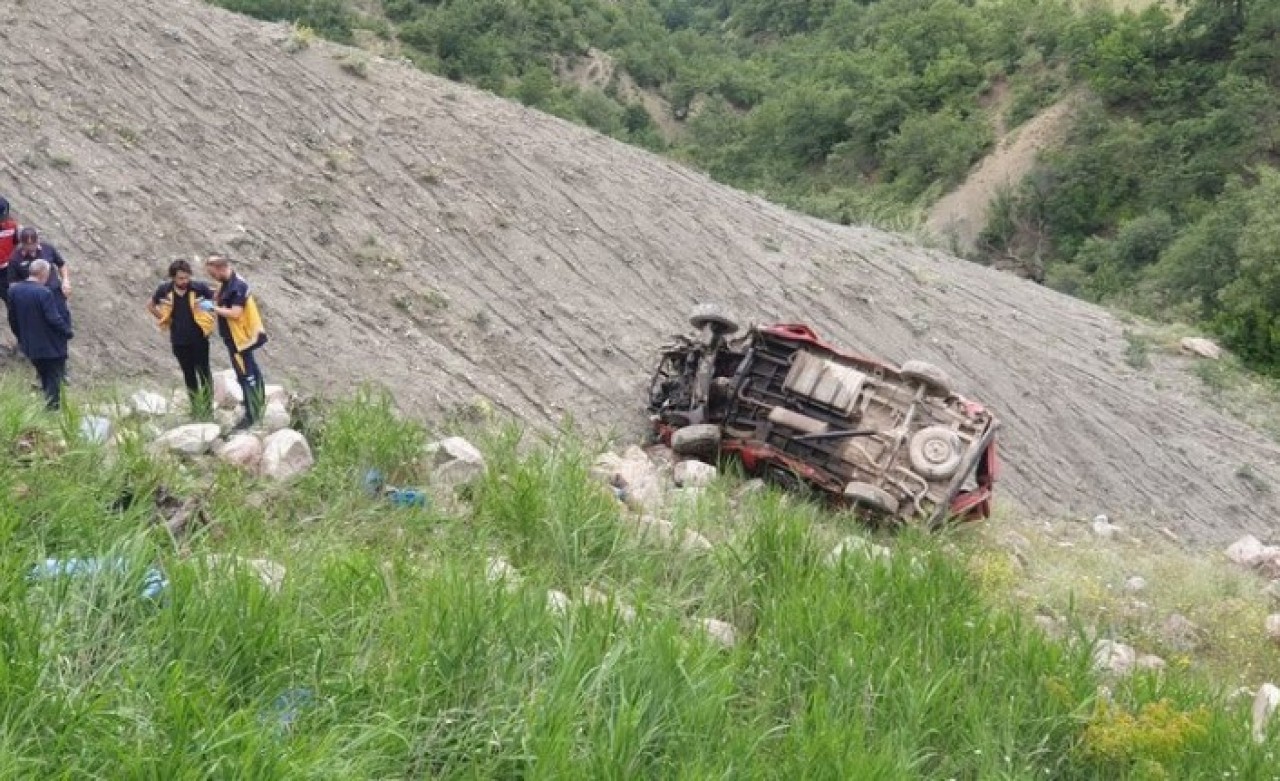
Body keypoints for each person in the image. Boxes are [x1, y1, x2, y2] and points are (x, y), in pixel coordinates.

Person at [204, 255, 268, 430]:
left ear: (220, 268)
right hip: (235, 338)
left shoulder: (237, 286)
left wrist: (213, 308)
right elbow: (220, 296)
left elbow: (235, 313)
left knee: (246, 375)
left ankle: (252, 415)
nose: (213, 278)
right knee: (251, 369)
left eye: (213, 274)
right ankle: (259, 405)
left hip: (242, 339)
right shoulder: (227, 283)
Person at [147, 259, 217, 416]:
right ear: (173, 278)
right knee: (188, 374)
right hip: (179, 340)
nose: (184, 281)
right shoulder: (165, 290)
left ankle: (208, 410)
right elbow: (151, 305)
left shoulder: (198, 288)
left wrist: (208, 310)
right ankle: (195, 409)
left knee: (204, 373)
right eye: (180, 278)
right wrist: (164, 319)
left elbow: (216, 298)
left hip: (199, 338)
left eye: (186, 277)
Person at [9, 259, 73, 410]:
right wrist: (67, 332)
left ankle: (47, 409)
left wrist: (21, 337)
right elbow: (53, 318)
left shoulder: (14, 290)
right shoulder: (44, 293)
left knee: (44, 377)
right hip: (49, 346)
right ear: (44, 274)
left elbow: (12, 318)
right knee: (54, 380)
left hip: (30, 346)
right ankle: (52, 412)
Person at [8, 227, 71, 336]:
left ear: (38, 240)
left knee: (62, 317)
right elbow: (13, 284)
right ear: (22, 243)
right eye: (27, 245)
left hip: (54, 292)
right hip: (35, 298)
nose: (31, 247)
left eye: (34, 243)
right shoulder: (15, 259)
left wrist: (65, 280)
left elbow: (61, 264)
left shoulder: (48, 249)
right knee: (42, 325)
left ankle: (63, 337)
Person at [0, 198, 18, 347]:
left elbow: (19, 244)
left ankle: (23, 344)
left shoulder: (11, 226)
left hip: (6, 273)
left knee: (14, 307)